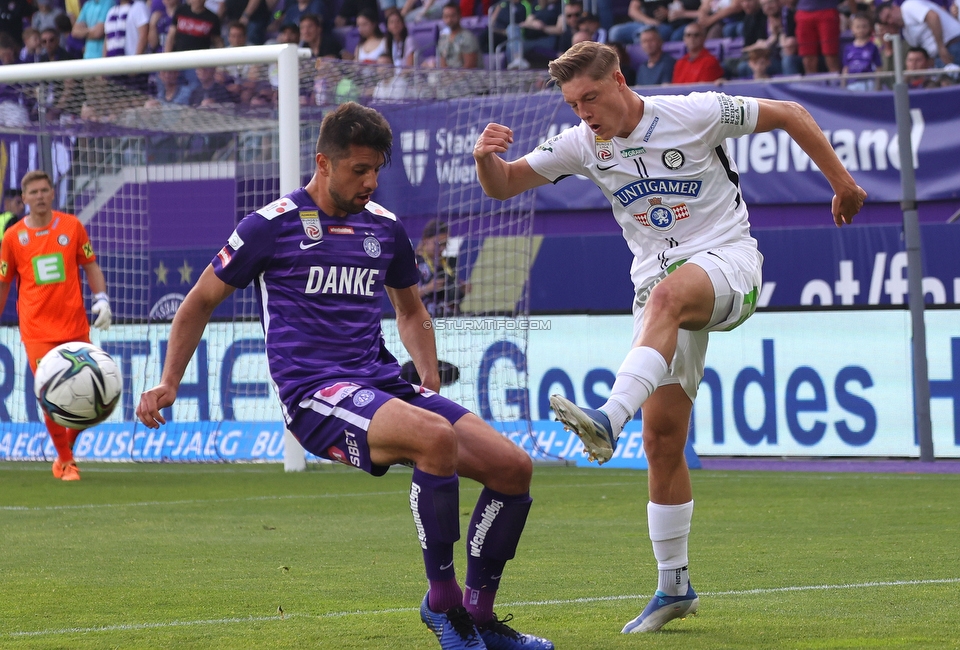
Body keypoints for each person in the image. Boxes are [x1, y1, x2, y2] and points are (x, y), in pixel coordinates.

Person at [472, 40, 865, 634]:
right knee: (662, 438)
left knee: (668, 293)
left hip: (729, 263)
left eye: (592, 98)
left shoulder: (693, 111)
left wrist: (843, 184)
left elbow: (790, 114)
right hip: (658, 291)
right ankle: (674, 585)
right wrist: (484, 159)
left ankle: (608, 417)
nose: (584, 113)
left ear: (620, 80)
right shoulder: (582, 144)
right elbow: (502, 186)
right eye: (574, 103)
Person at [135, 102, 553, 650]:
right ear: (323, 163)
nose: (371, 181)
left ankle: (481, 618)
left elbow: (410, 312)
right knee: (435, 440)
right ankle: (444, 605)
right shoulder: (269, 226)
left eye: (378, 169)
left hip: (381, 383)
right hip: (314, 393)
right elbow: (197, 303)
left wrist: (426, 375)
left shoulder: (384, 227)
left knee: (513, 467)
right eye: (359, 169)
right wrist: (170, 380)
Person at [0, 170, 112, 482]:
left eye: (44, 190)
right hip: (37, 332)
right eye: (32, 192)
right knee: (50, 396)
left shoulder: (72, 227)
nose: (39, 196)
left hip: (74, 327)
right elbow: (3, 284)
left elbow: (90, 266)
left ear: (52, 194)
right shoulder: (12, 238)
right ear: (23, 199)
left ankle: (68, 449)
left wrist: (101, 298)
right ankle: (67, 462)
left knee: (88, 396)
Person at [879, 0, 960, 68]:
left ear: (894, 8)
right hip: (940, 55)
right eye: (887, 22)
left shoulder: (908, 6)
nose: (890, 21)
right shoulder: (906, 32)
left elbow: (933, 17)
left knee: (950, 84)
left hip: (955, 44)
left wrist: (940, 47)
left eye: (889, 16)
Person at [416, 219, 470, 317]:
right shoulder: (414, 261)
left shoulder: (449, 263)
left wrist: (462, 289)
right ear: (425, 241)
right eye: (438, 244)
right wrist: (427, 289)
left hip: (449, 317)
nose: (442, 248)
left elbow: (451, 297)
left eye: (445, 244)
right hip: (424, 318)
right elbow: (405, 297)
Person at [794, 0, 842, 73]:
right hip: (803, 12)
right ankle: (811, 83)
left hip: (827, 10)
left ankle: (836, 82)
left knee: (830, 54)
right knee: (808, 56)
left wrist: (854, 13)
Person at [842, 12, 881, 90]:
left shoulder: (873, 47)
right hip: (852, 84)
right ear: (852, 28)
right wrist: (843, 85)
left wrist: (878, 85)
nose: (861, 30)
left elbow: (878, 67)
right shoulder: (848, 48)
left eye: (864, 26)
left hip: (868, 83)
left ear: (869, 27)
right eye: (858, 27)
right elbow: (846, 68)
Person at [609, 0, 675, 44]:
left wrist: (668, 13)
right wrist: (648, 20)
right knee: (615, 32)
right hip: (643, 24)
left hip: (663, 26)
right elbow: (632, 11)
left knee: (648, 34)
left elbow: (681, 9)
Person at [437, 2, 480, 68]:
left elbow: (469, 66)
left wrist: (453, 78)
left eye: (452, 16)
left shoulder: (467, 37)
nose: (449, 19)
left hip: (467, 77)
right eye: (446, 16)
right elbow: (443, 65)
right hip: (448, 76)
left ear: (460, 16)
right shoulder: (443, 38)